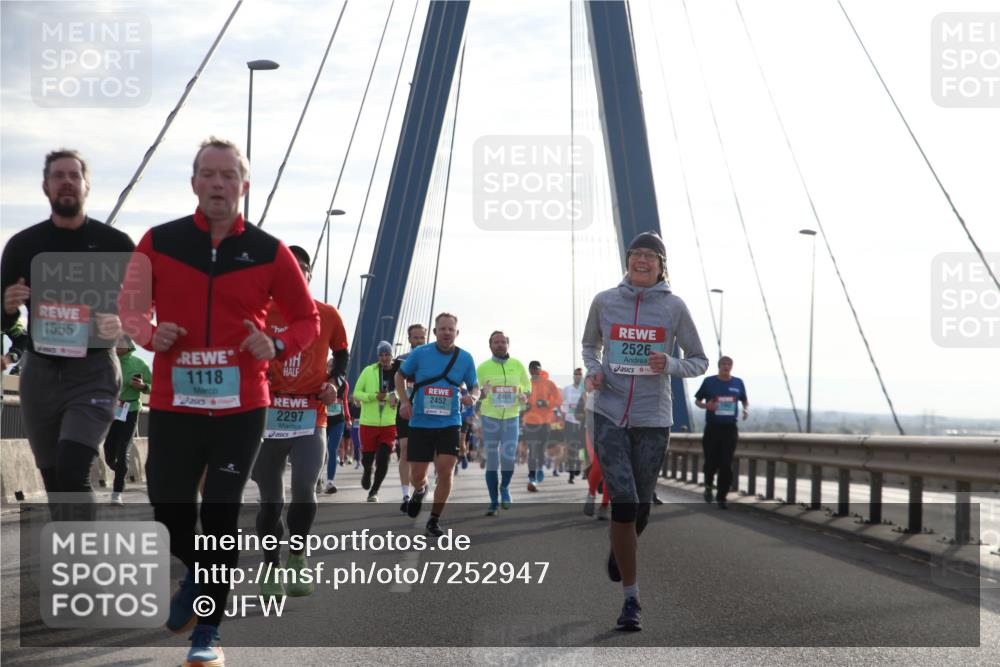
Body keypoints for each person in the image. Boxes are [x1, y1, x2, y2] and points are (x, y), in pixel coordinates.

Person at [119, 137, 320, 667]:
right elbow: (130, 307)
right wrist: (149, 333)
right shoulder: (158, 242)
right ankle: (200, 573)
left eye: (228, 175)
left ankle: (207, 631)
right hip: (175, 403)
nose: (217, 183)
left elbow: (306, 319)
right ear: (193, 183)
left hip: (242, 406)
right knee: (168, 509)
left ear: (243, 186)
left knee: (220, 514)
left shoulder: (270, 251)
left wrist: (277, 344)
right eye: (208, 174)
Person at [582, 230, 707, 631]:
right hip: (609, 413)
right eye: (635, 253)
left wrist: (669, 364)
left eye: (650, 256)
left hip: (653, 419)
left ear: (661, 265)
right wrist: (595, 371)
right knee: (624, 501)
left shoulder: (674, 307)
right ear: (627, 261)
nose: (641, 260)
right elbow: (589, 347)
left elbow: (699, 360)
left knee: (640, 510)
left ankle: (620, 548)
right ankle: (631, 599)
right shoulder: (605, 301)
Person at [1, 149, 134, 510]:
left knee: (74, 473)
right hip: (40, 373)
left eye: (74, 175)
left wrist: (123, 323)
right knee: (56, 482)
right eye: (58, 176)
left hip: (94, 371)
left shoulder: (116, 245)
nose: (66, 182)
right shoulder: (23, 245)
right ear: (45, 186)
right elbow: (4, 321)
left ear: (86, 185)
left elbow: (142, 308)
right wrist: (8, 306)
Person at [252, 244, 348, 598]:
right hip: (267, 416)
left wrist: (335, 383)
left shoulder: (328, 314)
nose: (294, 274)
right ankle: (271, 565)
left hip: (311, 415)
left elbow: (342, 355)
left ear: (308, 275)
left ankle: (297, 556)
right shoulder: (260, 312)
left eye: (300, 269)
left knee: (305, 489)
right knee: (271, 501)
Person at [395, 312, 478, 537]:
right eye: (442, 329)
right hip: (421, 422)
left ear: (457, 332)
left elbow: (474, 386)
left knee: (445, 469)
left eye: (451, 329)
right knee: (417, 475)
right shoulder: (420, 353)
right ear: (435, 332)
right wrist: (405, 401)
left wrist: (473, 396)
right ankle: (420, 490)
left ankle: (434, 519)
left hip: (450, 422)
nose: (447, 333)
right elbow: (399, 376)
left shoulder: (465, 358)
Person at [476, 331, 530, 514]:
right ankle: (493, 503)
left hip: (511, 418)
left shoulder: (517, 365)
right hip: (489, 418)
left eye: (503, 342)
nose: (500, 345)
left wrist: (524, 395)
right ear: (490, 346)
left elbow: (527, 387)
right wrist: (482, 392)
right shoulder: (482, 368)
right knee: (492, 461)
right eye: (496, 342)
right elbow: (474, 393)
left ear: (508, 344)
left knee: (508, 458)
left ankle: (504, 487)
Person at [694, 355, 749, 509]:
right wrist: (706, 406)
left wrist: (745, 409)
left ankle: (722, 496)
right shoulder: (709, 382)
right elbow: (697, 400)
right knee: (711, 461)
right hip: (712, 428)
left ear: (732, 366)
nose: (726, 366)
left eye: (729, 364)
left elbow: (744, 400)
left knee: (726, 463)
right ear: (719, 366)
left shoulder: (738, 382)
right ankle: (708, 486)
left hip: (730, 429)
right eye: (723, 364)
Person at [102, 335, 151, 505]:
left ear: (129, 345)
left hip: (131, 409)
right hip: (113, 409)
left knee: (123, 449)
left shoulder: (139, 363)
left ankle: (117, 493)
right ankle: (120, 470)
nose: (116, 345)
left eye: (120, 342)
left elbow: (153, 386)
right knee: (109, 450)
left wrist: (143, 386)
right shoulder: (107, 362)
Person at [354, 341, 399, 502]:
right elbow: (357, 393)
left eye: (387, 354)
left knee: (383, 459)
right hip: (368, 423)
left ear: (392, 355)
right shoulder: (368, 371)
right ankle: (367, 470)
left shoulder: (398, 372)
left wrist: (391, 397)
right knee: (368, 459)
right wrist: (373, 396)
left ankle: (374, 491)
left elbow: (404, 393)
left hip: (389, 423)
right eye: (381, 355)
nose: (384, 358)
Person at [391, 323, 426, 512]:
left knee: (421, 454)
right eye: (415, 337)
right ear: (409, 339)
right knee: (404, 450)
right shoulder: (401, 359)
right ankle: (405, 495)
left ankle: (420, 486)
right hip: (405, 409)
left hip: (425, 411)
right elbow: (393, 384)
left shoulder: (432, 359)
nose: (418, 341)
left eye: (422, 338)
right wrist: (395, 396)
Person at [523, 360, 561, 492]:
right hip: (529, 422)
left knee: (541, 450)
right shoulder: (525, 383)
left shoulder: (549, 383)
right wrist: (524, 405)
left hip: (545, 422)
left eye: (536, 369)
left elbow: (558, 399)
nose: (534, 372)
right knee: (532, 449)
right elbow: (517, 398)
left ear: (540, 370)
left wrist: (547, 403)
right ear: (529, 371)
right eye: (532, 369)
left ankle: (539, 468)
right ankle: (532, 477)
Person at [562, 368, 585, 483]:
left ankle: (579, 466)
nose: (578, 376)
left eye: (580, 374)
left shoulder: (585, 390)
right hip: (570, 422)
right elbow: (561, 404)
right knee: (571, 448)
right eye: (576, 374)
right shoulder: (567, 389)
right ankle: (571, 475)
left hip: (582, 424)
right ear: (573, 376)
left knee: (581, 449)